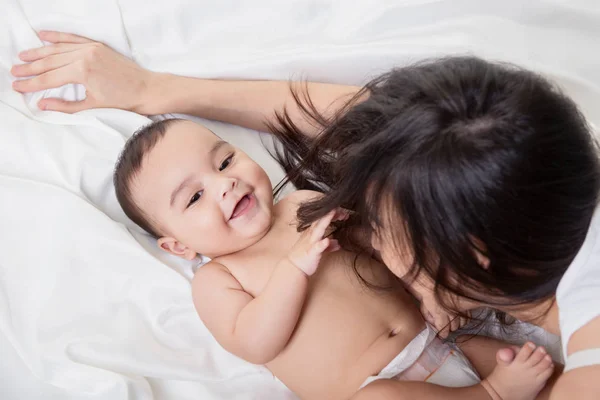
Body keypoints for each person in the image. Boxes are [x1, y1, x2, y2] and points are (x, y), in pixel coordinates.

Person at [12, 31, 599, 398]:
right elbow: (369, 120)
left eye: (385, 233)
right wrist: (153, 90)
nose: (369, 245)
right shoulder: (522, 159)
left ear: (471, 259)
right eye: (191, 198)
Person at [111, 116, 556, 400]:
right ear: (179, 247)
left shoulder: (302, 203)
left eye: (225, 161)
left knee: (519, 357)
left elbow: (382, 243)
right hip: (375, 388)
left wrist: (428, 291)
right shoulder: (218, 277)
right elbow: (253, 340)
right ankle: (493, 395)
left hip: (439, 338)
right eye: (194, 197)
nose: (224, 184)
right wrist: (295, 267)